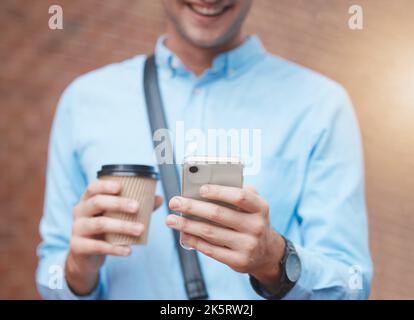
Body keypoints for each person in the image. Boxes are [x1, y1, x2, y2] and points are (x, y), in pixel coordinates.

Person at [36, 0, 372, 299]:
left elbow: (353, 285)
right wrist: (77, 271)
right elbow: (50, 270)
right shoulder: (83, 102)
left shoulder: (321, 105)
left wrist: (276, 261)